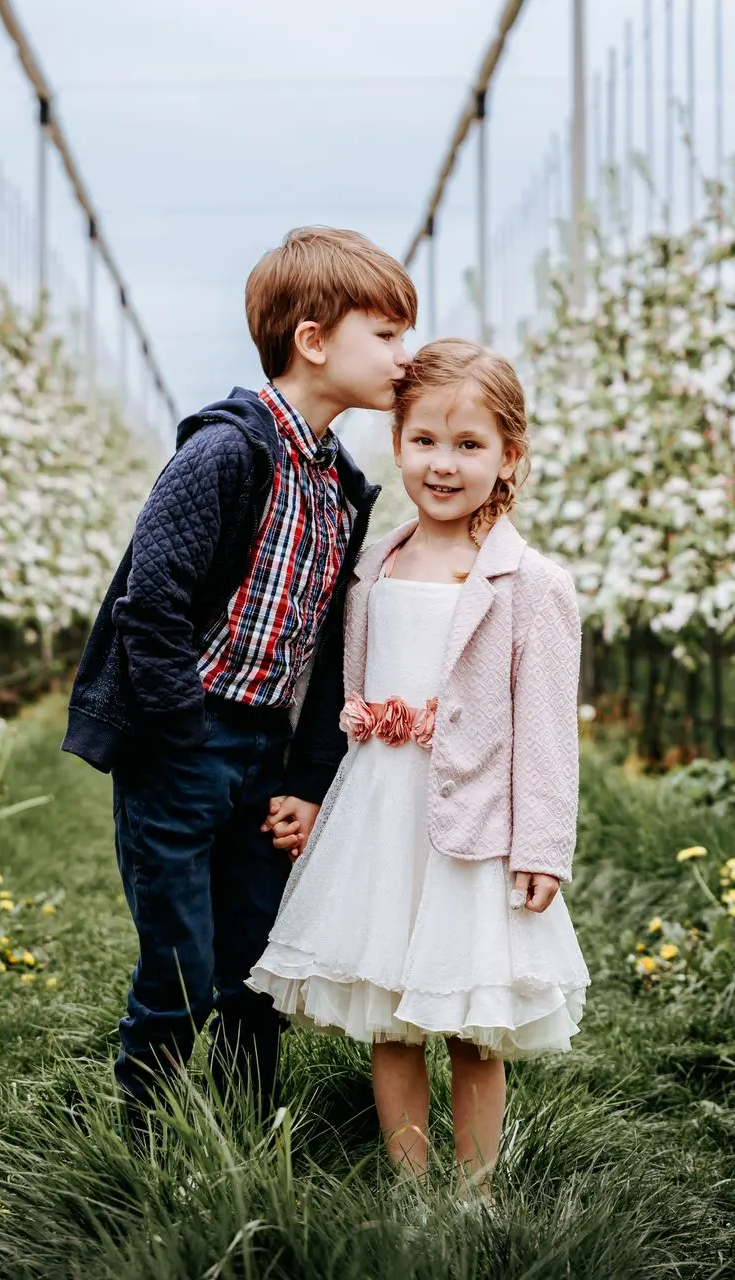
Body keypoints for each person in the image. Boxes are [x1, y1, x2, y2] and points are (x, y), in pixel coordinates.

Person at [62, 227, 416, 1125]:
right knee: (178, 963)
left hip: (262, 747)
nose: (402, 358)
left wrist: (303, 776)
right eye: (386, 335)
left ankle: (248, 1136)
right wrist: (180, 736)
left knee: (258, 963)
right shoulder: (225, 454)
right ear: (313, 340)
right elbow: (151, 603)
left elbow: (328, 646)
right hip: (185, 739)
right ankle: (145, 1142)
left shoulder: (341, 484)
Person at [245, 337, 589, 1194]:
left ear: (509, 457)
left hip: (474, 825)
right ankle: (409, 1187)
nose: (443, 465)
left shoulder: (528, 583)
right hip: (380, 814)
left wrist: (543, 844)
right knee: (391, 1012)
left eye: (469, 446)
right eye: (425, 441)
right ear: (396, 442)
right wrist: (317, 794)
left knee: (474, 1020)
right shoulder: (373, 564)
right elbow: (342, 697)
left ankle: (472, 1196)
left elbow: (548, 728)